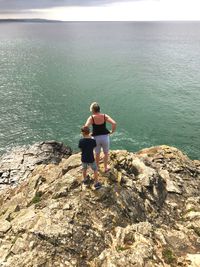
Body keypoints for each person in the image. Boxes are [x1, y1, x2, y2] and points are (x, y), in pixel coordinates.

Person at [85, 102, 116, 172]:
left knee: (97, 153)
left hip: (96, 138)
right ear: (99, 109)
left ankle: (97, 167)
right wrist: (112, 131)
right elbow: (114, 123)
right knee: (106, 153)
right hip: (105, 137)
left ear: (93, 110)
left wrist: (88, 134)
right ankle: (105, 168)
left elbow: (85, 127)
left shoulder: (91, 118)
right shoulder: (104, 116)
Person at [78, 125, 102, 190]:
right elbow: (93, 147)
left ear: (83, 133)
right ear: (89, 132)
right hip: (91, 158)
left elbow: (81, 149)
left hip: (84, 158)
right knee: (95, 169)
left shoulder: (81, 141)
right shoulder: (93, 141)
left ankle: (85, 180)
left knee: (84, 169)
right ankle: (96, 183)